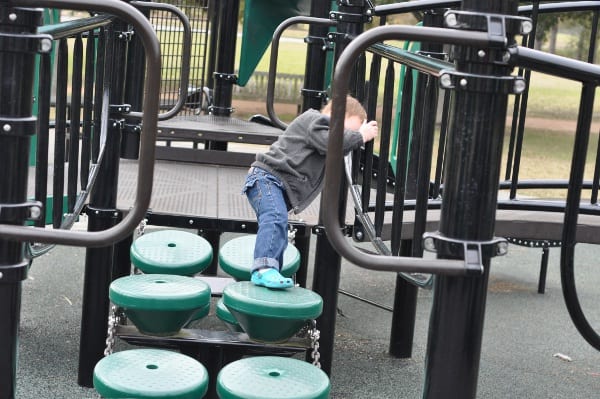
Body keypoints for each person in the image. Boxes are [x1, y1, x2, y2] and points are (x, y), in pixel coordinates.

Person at [242, 96, 379, 289]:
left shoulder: (321, 128)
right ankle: (264, 269)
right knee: (274, 217)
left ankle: (272, 272)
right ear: (338, 115)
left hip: (275, 182)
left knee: (279, 224)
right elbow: (332, 143)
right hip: (266, 178)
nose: (351, 135)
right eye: (350, 129)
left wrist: (355, 136)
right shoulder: (315, 120)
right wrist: (361, 136)